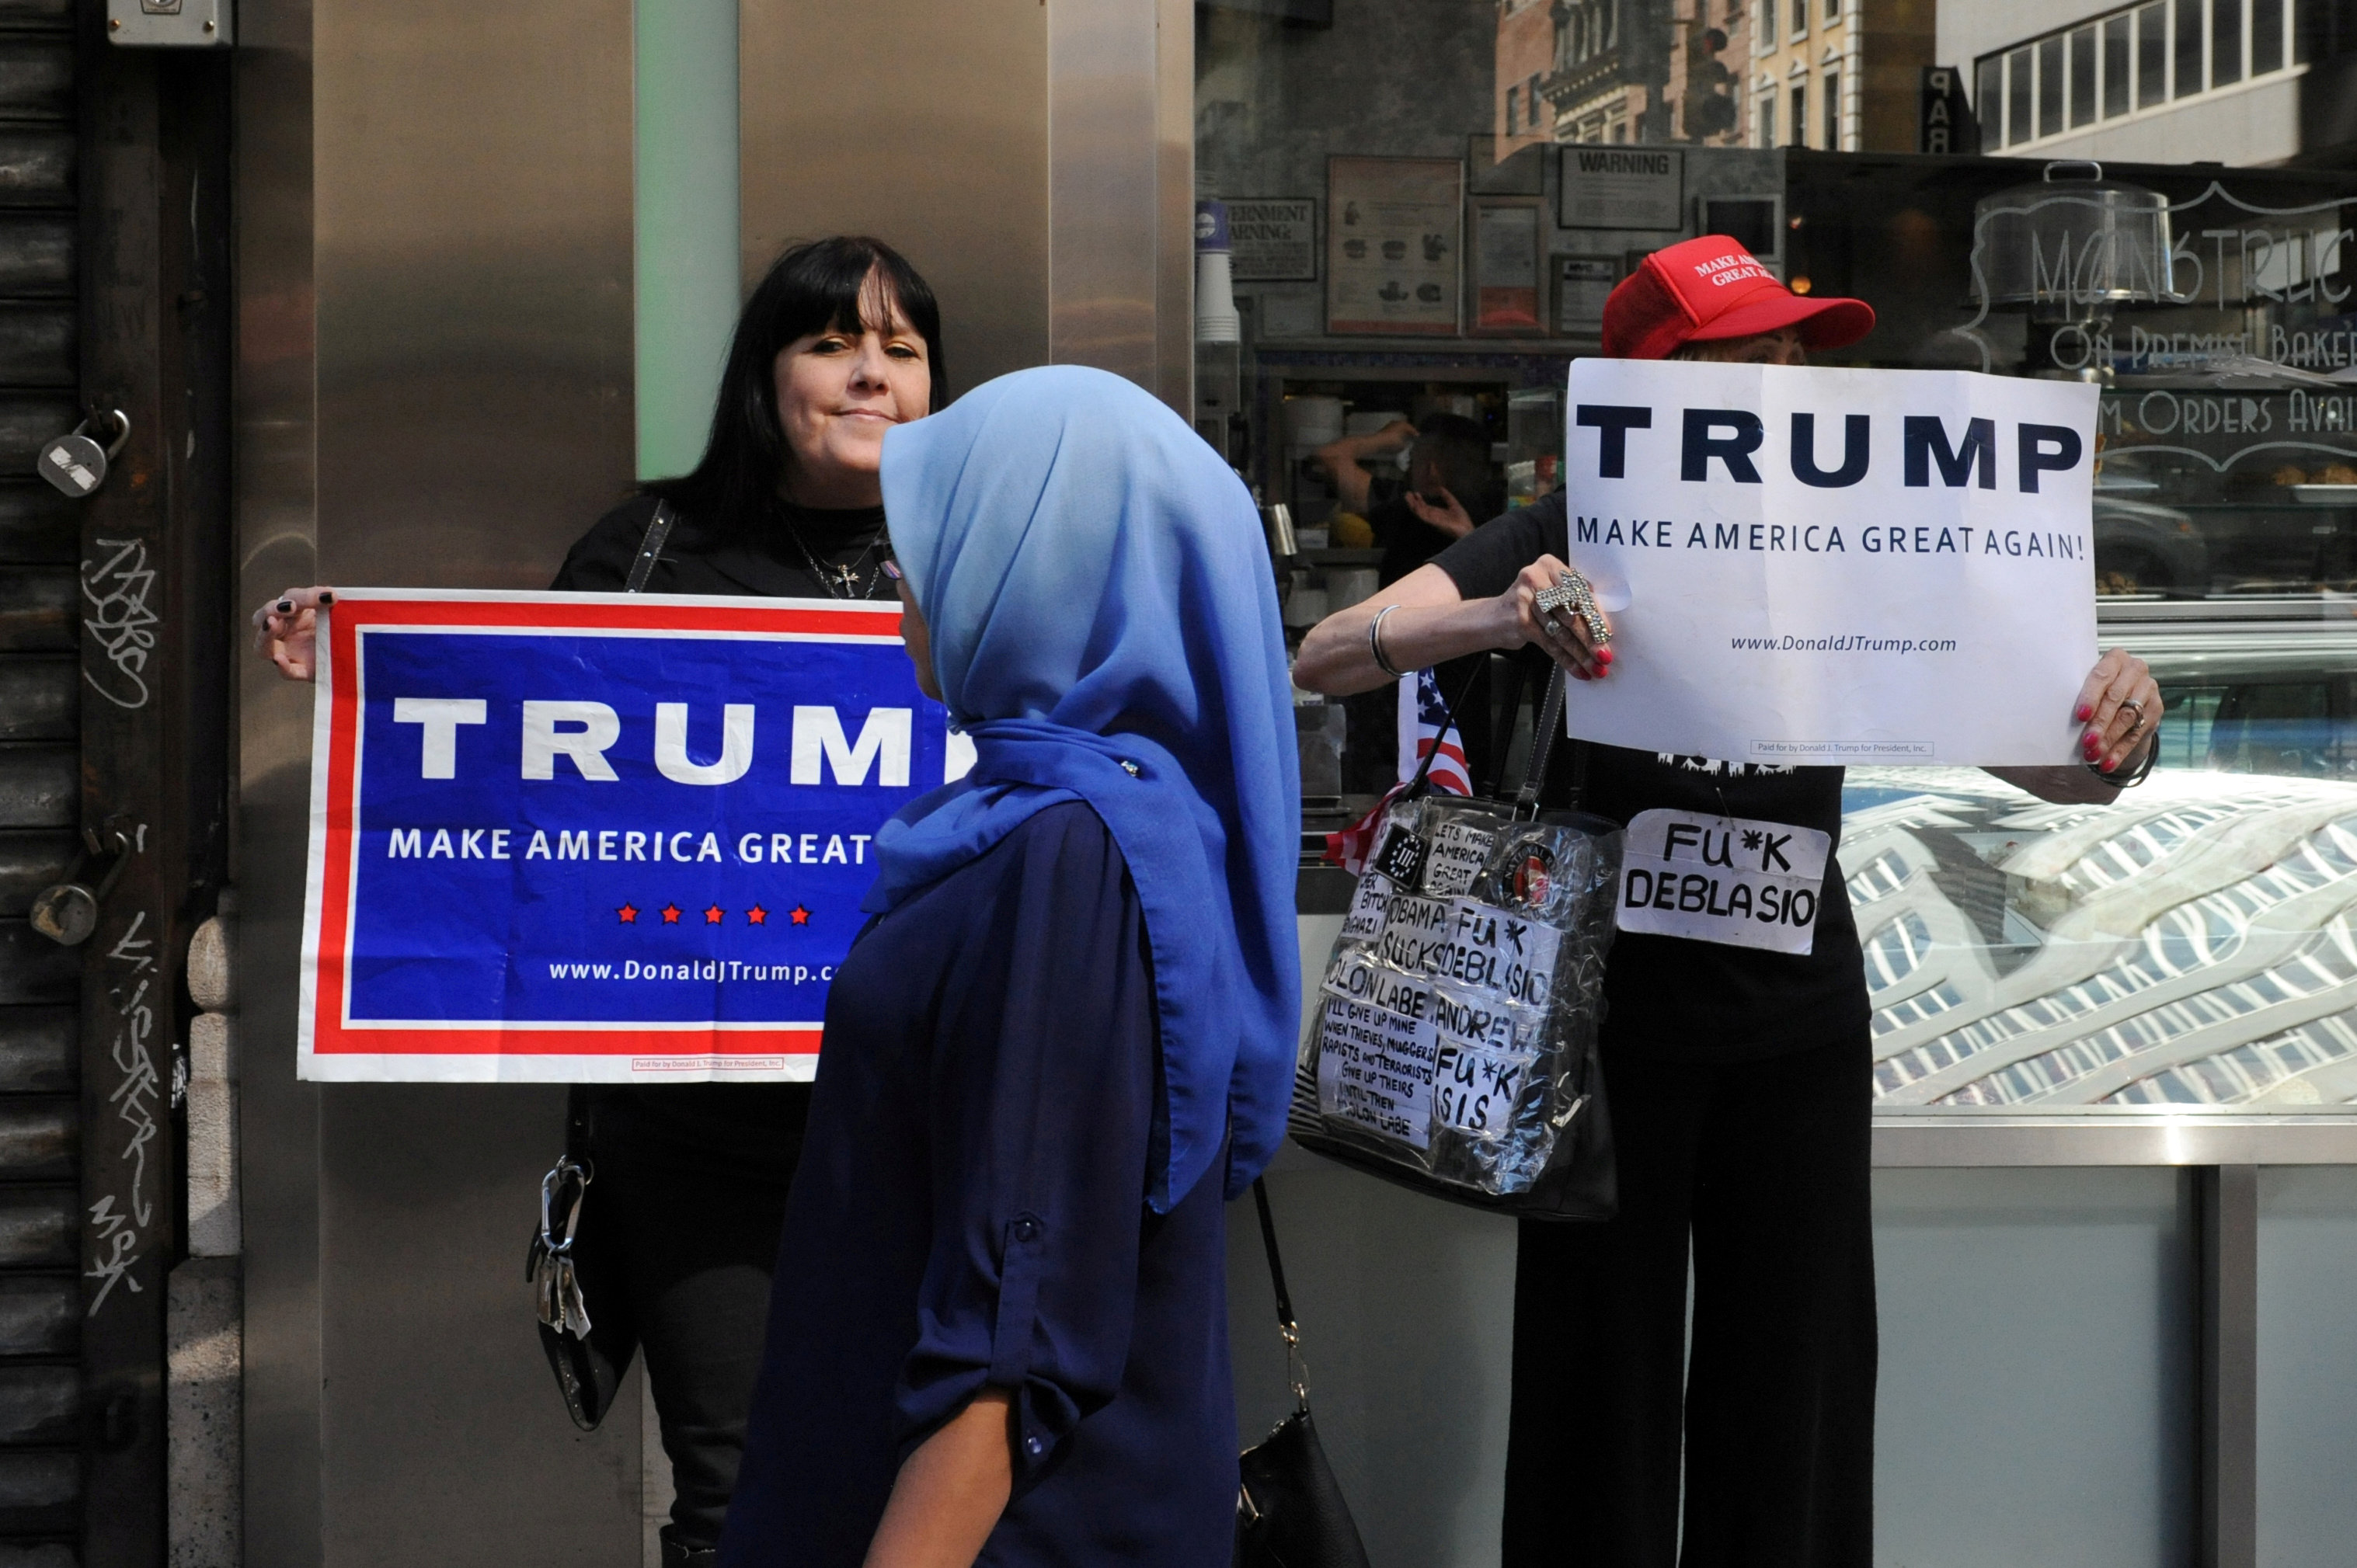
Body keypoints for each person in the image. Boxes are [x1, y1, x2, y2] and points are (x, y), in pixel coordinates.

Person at [1290, 235, 2160, 1567]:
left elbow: (2055, 768)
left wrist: (2118, 722)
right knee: (1595, 1399)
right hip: (1599, 1033)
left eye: (1793, 353)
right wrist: (1506, 615)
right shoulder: (1563, 531)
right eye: (1743, 357)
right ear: (1655, 387)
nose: (1784, 380)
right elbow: (1328, 653)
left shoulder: (1852, 544)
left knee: (1794, 1398)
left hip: (1795, 1020)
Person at [255, 234, 949, 1568]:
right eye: (832, 342)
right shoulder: (645, 551)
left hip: (925, 1108)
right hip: (696, 1130)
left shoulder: (987, 556)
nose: (870, 374)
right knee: (734, 1487)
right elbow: (512, 760)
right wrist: (366, 665)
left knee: (933, 1468)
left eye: (901, 348)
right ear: (766, 372)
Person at [715, 364, 1300, 1567]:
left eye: (929, 541)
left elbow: (1011, 1333)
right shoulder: (1058, 817)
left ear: (1040, 561)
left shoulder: (1069, 853)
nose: (901, 580)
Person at [1314, 410, 1502, 584]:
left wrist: (1383, 439)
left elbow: (1330, 457)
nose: (1408, 469)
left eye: (1413, 459)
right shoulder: (1500, 510)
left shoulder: (1413, 506)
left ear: (1431, 469)